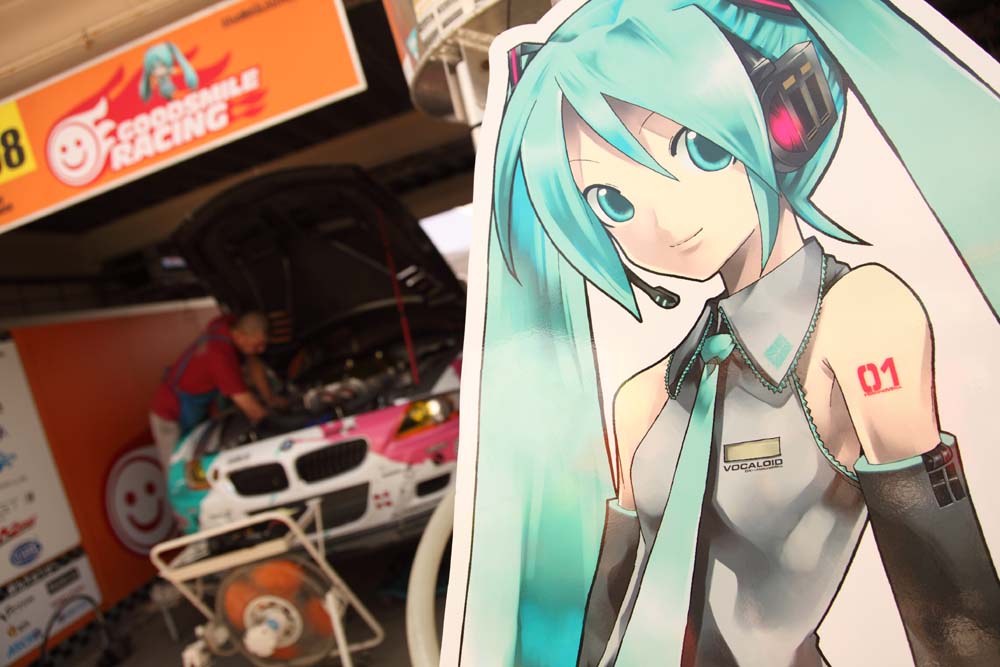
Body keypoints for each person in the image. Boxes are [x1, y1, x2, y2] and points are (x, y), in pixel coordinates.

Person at [458, 1, 1000, 666]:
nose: (663, 217)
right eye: (613, 202)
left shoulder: (857, 321)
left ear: (786, 119)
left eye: (701, 147)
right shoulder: (644, 399)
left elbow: (953, 609)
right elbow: (607, 619)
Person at [149, 311, 281, 467]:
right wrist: (279, 426)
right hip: (169, 415)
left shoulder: (227, 325)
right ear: (240, 336)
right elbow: (251, 409)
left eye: (263, 344)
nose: (262, 349)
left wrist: (270, 399)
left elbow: (253, 361)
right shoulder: (220, 357)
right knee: (177, 468)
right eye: (257, 345)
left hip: (195, 410)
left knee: (201, 460)